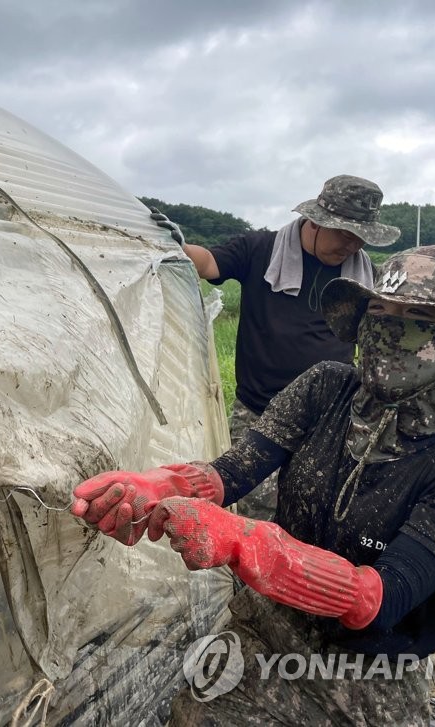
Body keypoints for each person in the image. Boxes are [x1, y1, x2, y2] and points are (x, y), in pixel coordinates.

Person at [71, 245, 435, 725]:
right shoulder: (326, 388)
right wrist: (159, 484)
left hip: (371, 671)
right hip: (266, 627)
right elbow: (234, 471)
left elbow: (379, 598)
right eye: (378, 310)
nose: (387, 328)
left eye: (416, 316)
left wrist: (249, 543)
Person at [153, 175, 401, 521]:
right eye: (344, 234)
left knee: (316, 508)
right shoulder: (262, 251)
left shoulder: (365, 276)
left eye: (360, 238)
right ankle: (249, 574)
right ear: (316, 222)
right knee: (255, 509)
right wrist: (173, 245)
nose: (352, 246)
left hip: (328, 418)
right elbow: (209, 263)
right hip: (260, 412)